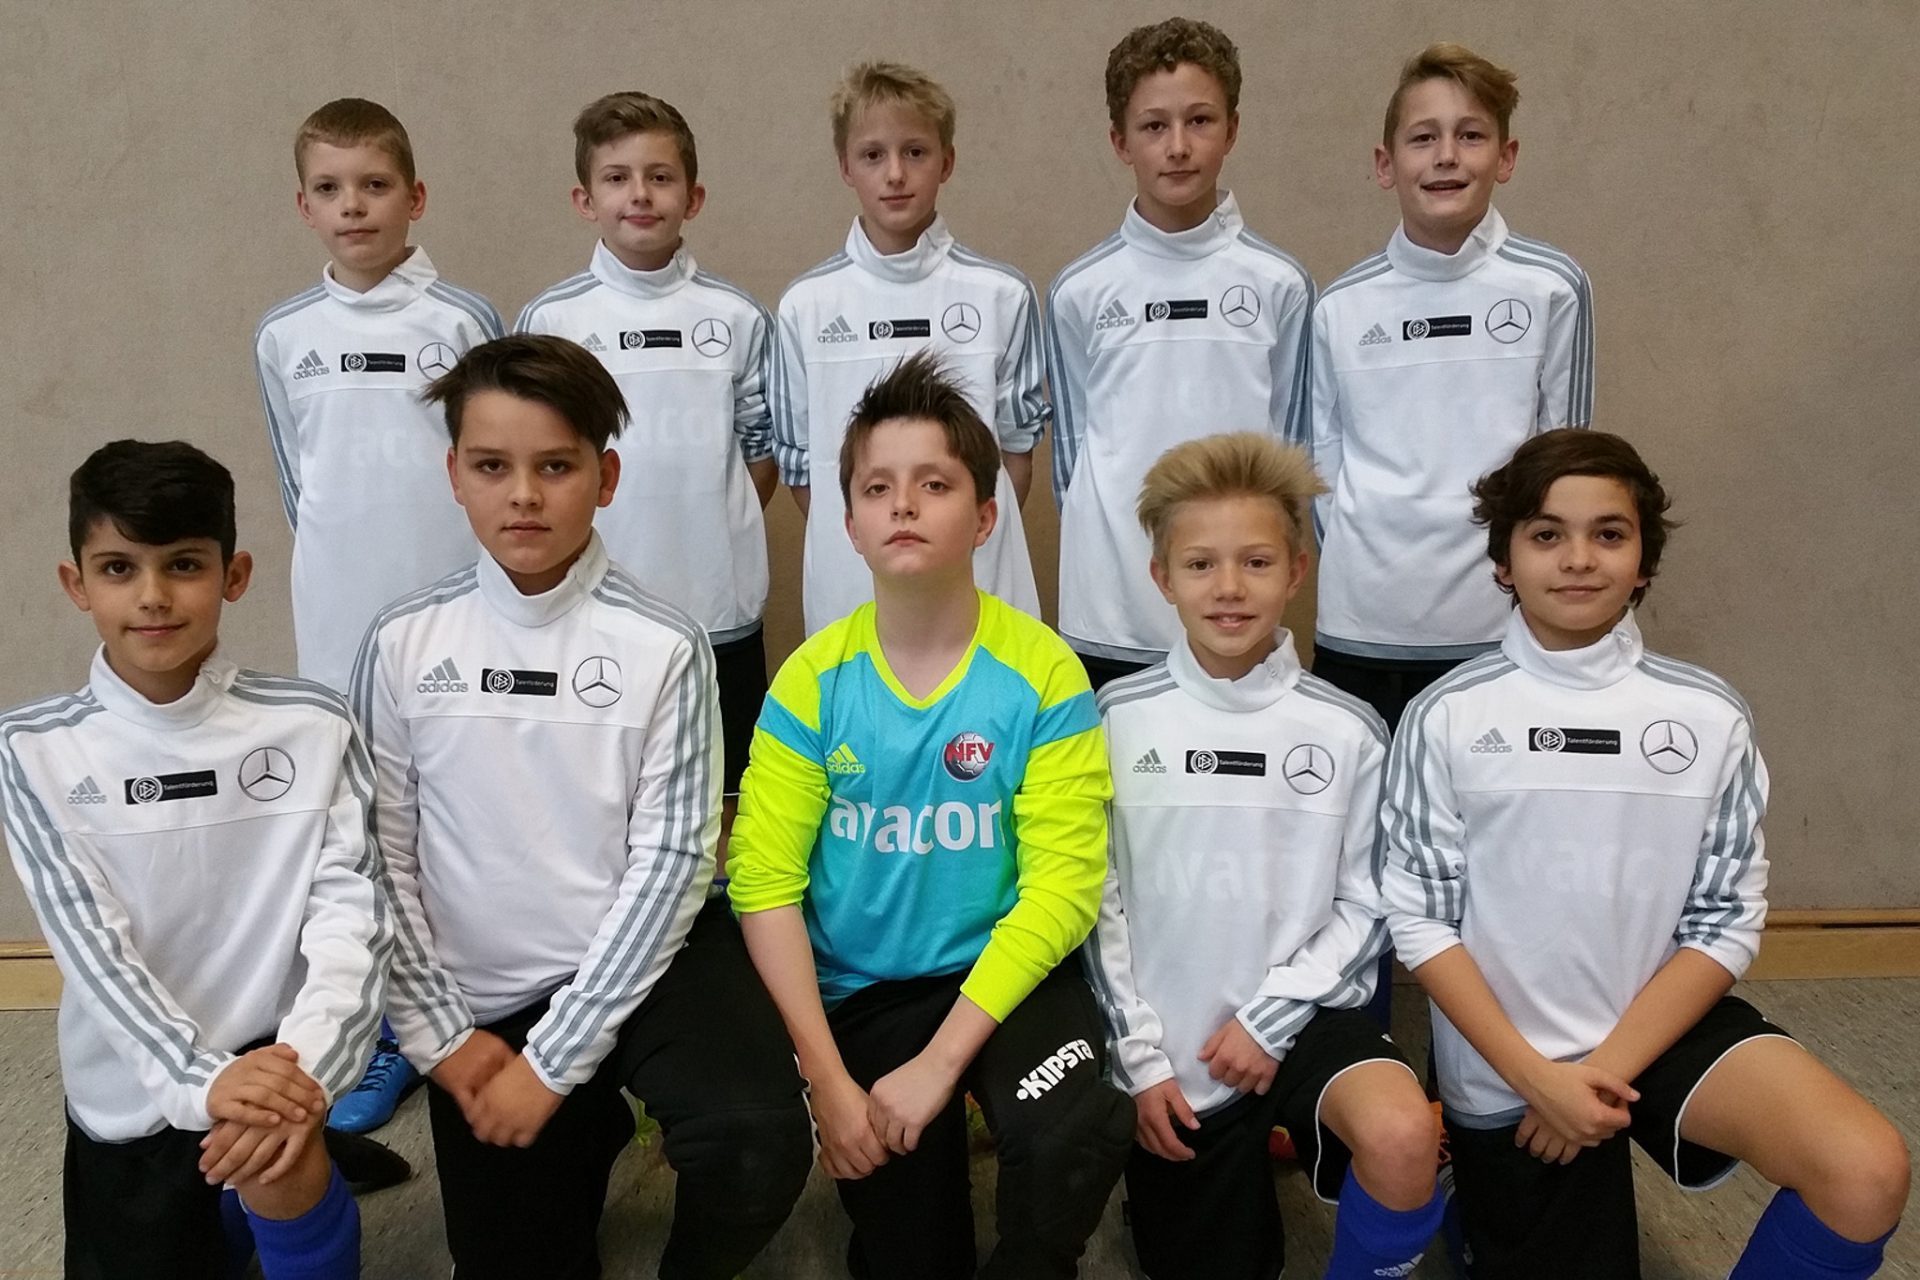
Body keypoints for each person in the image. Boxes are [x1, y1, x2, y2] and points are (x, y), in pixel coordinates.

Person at [1384, 429, 1910, 1277]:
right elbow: (1418, 919)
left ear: (1643, 562)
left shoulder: (1709, 715)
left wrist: (1604, 1069)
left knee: (1865, 1169)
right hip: (1512, 1067)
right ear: (1504, 562)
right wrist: (1541, 1080)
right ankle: (1471, 1202)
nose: (1578, 558)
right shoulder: (1446, 715)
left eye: (1609, 533)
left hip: (1658, 1028)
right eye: (1547, 534)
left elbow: (1724, 920)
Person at [353, 335, 812, 1279]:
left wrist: (554, 1060)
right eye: (492, 466)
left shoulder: (666, 645)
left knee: (756, 1141)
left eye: (555, 467)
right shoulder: (402, 641)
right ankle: (589, 1123)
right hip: (483, 997)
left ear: (605, 478)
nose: (524, 494)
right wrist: (443, 1040)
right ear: (454, 475)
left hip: (645, 956)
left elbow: (673, 867)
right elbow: (379, 855)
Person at [729, 352, 1133, 1278]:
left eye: (935, 484)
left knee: (1073, 1132)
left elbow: (1064, 890)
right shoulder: (810, 683)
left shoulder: (1044, 673)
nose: (903, 505)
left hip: (1004, 973)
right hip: (864, 989)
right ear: (850, 524)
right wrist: (828, 1084)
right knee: (913, 1249)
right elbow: (763, 886)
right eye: (878, 487)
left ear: (985, 517)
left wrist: (943, 1064)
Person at [0, 440, 388, 1278]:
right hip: (136, 1090)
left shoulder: (314, 725)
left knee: (279, 1154)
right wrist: (203, 1082)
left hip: (280, 1059)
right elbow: (94, 951)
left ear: (234, 575)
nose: (152, 595)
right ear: (76, 584)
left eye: (183, 564)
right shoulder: (32, 751)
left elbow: (353, 922)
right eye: (118, 568)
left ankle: (288, 1195)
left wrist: (309, 1078)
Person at [1087, 432, 1442, 1279]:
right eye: (1200, 564)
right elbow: (1093, 904)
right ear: (1161, 578)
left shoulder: (1350, 729)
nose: (1229, 587)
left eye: (1255, 562)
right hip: (1173, 1052)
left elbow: (1371, 902)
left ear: (1297, 570)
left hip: (1306, 1016)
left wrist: (1270, 1019)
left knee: (1403, 1133)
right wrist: (1137, 1058)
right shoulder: (1111, 719)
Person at [256, 96, 504, 1131]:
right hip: (338, 626)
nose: (353, 205)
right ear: (303, 206)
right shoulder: (284, 336)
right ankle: (381, 1029)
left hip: (453, 625)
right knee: (363, 830)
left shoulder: (463, 321)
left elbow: (498, 468)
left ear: (415, 196)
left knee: (456, 817)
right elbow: (298, 488)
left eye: (374, 185)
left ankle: (461, 1011)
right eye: (330, 188)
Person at [1306, 43, 1594, 731]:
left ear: (1506, 157)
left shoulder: (1552, 287)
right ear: (1385, 164)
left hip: (1500, 630)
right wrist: (1367, 557)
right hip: (1363, 628)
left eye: (1470, 136)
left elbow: (1566, 466)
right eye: (1423, 138)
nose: (1446, 157)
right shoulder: (1341, 306)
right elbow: (1320, 465)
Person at [517, 91, 777, 822]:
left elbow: (761, 457)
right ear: (584, 199)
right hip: (591, 609)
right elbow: (537, 462)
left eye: (660, 177)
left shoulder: (737, 317)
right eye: (617, 177)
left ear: (693, 197)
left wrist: (709, 525)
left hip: (719, 610)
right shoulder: (552, 320)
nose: (640, 194)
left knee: (728, 801)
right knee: (602, 799)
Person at [1046, 20, 1314, 690]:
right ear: (1120, 142)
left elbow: (1293, 454)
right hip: (1109, 612)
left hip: (1234, 611)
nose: (1178, 146)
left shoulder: (1280, 284)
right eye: (1153, 126)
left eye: (1199, 120)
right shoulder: (1079, 291)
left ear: (1232, 130)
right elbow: (1072, 464)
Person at [773, 62, 1046, 635]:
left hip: (979, 582)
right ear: (846, 167)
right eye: (873, 155)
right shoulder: (805, 306)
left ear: (946, 161)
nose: (895, 174)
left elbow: (1016, 452)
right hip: (850, 588)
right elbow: (801, 467)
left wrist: (955, 535)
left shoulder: (1001, 294)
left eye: (915, 152)